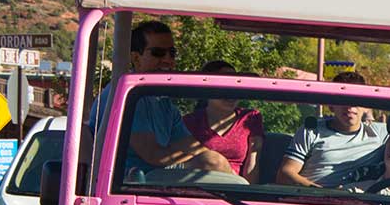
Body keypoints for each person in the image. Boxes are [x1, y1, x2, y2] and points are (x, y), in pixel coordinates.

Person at [91, 21, 231, 175]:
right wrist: (204, 160)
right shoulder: (128, 95)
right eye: (158, 53)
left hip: (153, 182)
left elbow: (189, 144)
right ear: (136, 58)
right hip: (124, 186)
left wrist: (215, 158)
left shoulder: (162, 102)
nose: (167, 59)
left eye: (172, 53)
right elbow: (153, 155)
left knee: (213, 160)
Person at [278, 71, 388, 188]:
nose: (350, 107)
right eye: (342, 99)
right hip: (310, 200)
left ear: (366, 106)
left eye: (357, 99)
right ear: (331, 105)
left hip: (361, 203)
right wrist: (323, 194)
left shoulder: (382, 133)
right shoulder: (311, 130)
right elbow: (285, 174)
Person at [182, 61, 264, 181]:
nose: (231, 91)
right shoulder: (189, 122)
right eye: (223, 84)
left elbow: (253, 164)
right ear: (206, 88)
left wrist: (248, 195)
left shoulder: (251, 118)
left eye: (236, 84)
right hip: (198, 189)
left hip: (236, 192)